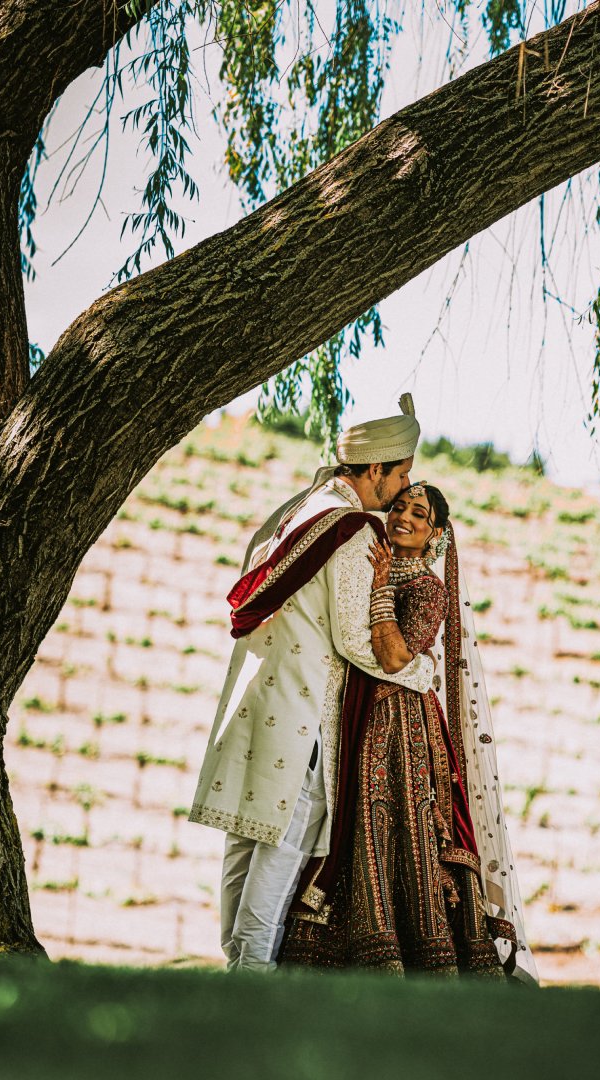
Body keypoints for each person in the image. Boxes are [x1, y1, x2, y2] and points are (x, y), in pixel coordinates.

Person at [188, 394, 433, 972]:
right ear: (374, 469)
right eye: (400, 475)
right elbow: (357, 639)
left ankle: (233, 964)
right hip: (302, 717)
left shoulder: (298, 508)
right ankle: (249, 979)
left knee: (245, 844)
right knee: (282, 847)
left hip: (253, 698)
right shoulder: (351, 529)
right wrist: (422, 672)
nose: (402, 490)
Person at [279, 482, 537, 982]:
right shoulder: (367, 561)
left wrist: (380, 588)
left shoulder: (426, 590)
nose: (404, 517)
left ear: (435, 533)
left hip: (402, 729)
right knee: (356, 822)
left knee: (396, 824)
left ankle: (407, 951)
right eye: (399, 506)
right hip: (360, 714)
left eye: (419, 514)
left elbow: (395, 656)